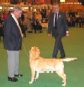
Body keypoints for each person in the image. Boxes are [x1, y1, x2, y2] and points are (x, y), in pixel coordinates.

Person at [3, 6, 23, 82]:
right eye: (20, 13)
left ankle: (16, 73)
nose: (20, 15)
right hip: (11, 44)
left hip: (16, 43)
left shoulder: (14, 19)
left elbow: (16, 29)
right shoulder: (9, 20)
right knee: (11, 60)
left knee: (16, 59)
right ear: (15, 12)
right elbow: (7, 33)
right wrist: (10, 44)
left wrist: (20, 34)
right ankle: (10, 76)